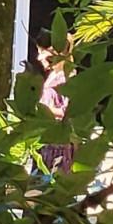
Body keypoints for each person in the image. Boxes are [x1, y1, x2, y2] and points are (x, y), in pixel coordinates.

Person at [34, 30, 75, 174]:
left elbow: (69, 112)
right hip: (46, 142)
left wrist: (44, 110)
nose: (39, 58)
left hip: (58, 146)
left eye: (44, 53)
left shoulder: (66, 78)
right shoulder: (54, 76)